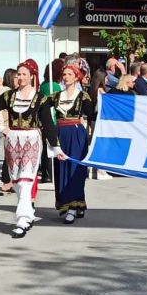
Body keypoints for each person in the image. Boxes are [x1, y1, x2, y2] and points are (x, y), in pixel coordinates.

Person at [0, 59, 64, 238]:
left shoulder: (40, 99)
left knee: (25, 180)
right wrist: (1, 129)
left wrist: (56, 147)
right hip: (12, 140)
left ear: (31, 77)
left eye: (24, 74)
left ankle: (21, 219)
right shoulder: (9, 96)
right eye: (18, 74)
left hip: (32, 140)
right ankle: (28, 214)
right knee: (16, 182)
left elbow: (48, 125)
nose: (20, 77)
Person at [53, 63, 94, 223]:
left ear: (76, 77)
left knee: (75, 170)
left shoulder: (83, 96)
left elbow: (91, 114)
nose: (66, 77)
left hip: (77, 134)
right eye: (64, 74)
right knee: (62, 169)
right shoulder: (56, 96)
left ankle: (72, 207)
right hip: (61, 133)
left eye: (70, 74)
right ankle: (76, 204)